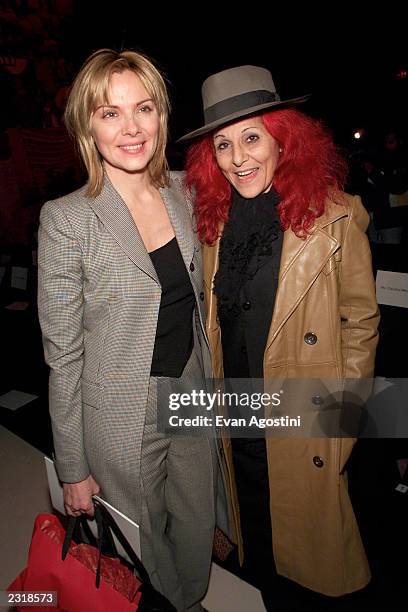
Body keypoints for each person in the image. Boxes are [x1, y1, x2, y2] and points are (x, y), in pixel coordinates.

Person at [180, 65, 380, 610]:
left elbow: (360, 324)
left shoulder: (333, 218)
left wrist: (344, 425)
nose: (238, 158)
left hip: (303, 423)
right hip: (238, 423)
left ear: (283, 139)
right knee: (260, 561)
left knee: (310, 571)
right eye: (222, 145)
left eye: (251, 138)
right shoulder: (211, 223)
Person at [37, 48, 222, 612]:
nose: (131, 128)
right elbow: (63, 354)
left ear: (161, 115)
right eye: (110, 113)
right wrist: (72, 467)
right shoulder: (68, 219)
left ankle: (191, 598)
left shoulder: (186, 191)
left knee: (195, 515)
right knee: (141, 539)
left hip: (191, 383)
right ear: (87, 127)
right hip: (123, 407)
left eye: (143, 108)